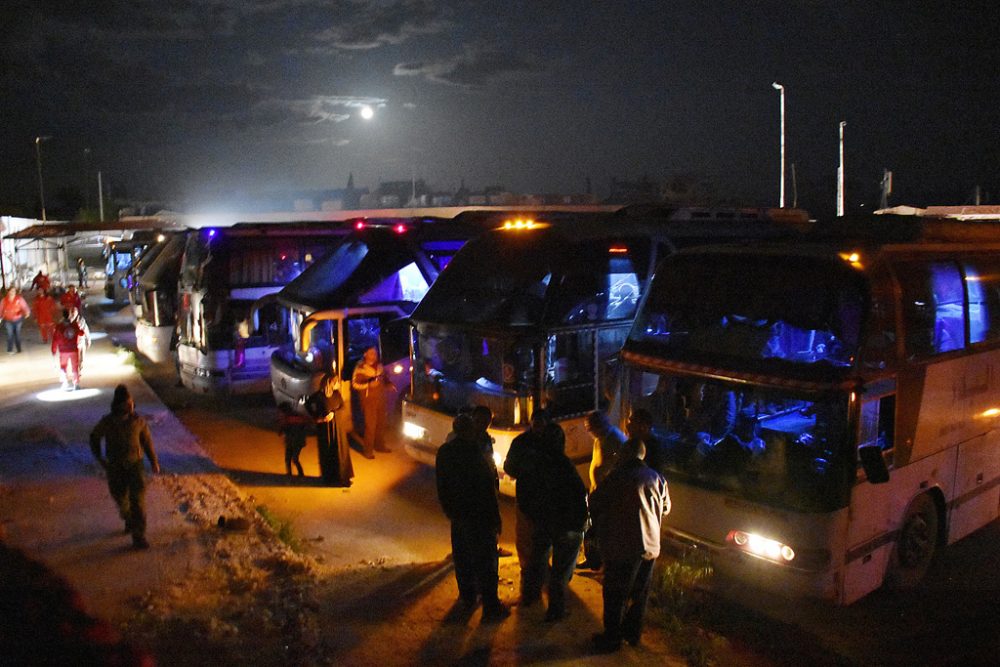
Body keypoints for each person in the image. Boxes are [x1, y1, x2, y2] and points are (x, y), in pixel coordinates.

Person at [590, 439, 670, 652]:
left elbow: (595, 502)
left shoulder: (616, 478)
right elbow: (665, 508)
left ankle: (612, 638)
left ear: (625, 455)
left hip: (622, 546)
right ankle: (632, 635)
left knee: (615, 594)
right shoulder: (657, 478)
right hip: (650, 547)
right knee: (640, 593)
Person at [435, 413, 510, 623]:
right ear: (469, 431)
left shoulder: (445, 452)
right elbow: (487, 489)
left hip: (458, 516)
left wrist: (450, 511)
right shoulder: (474, 453)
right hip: (480, 517)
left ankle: (467, 596)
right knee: (486, 561)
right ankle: (490, 605)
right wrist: (495, 519)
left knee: (463, 558)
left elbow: (442, 485)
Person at [516, 422, 589, 622]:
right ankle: (556, 610)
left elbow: (523, 494)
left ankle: (529, 597)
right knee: (560, 571)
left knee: (537, 561)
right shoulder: (564, 465)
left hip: (543, 522)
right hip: (566, 526)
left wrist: (533, 516)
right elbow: (579, 494)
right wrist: (582, 524)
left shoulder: (533, 463)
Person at [90, 384, 161, 550]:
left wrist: (154, 461)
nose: (130, 405)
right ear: (118, 404)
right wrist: (100, 458)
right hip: (115, 467)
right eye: (126, 402)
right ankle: (128, 518)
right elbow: (94, 437)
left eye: (131, 401)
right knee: (120, 498)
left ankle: (139, 536)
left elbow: (147, 442)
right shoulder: (107, 422)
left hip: (135, 466)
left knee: (138, 501)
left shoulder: (138, 421)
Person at [502, 408, 556, 605]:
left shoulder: (551, 441)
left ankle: (539, 579)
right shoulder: (522, 442)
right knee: (526, 542)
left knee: (541, 543)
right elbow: (509, 467)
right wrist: (526, 471)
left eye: (542, 422)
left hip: (545, 501)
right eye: (536, 421)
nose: (538, 425)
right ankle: (530, 583)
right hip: (527, 499)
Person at [579, 410, 626, 570]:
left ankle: (603, 563)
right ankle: (593, 560)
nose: (589, 432)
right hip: (597, 492)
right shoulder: (600, 438)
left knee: (602, 531)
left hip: (607, 496)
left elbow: (615, 469)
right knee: (592, 530)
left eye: (590, 428)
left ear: (600, 426)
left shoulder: (615, 440)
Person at [308, 361, 353, 486]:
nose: (338, 384)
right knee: (328, 453)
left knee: (340, 452)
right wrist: (318, 417)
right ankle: (330, 478)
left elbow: (342, 407)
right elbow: (308, 405)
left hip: (337, 428)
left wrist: (334, 414)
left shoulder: (337, 394)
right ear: (330, 382)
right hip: (325, 429)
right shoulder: (319, 396)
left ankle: (343, 477)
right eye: (336, 382)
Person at [351, 346, 390, 458]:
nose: (374, 355)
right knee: (370, 426)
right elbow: (354, 385)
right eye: (371, 353)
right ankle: (368, 451)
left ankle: (380, 446)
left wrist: (388, 384)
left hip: (380, 399)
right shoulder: (360, 367)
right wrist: (368, 384)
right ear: (365, 354)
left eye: (375, 353)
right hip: (368, 401)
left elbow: (384, 378)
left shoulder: (379, 366)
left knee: (381, 423)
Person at [51, 308, 84, 390]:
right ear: (69, 315)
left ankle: (64, 383)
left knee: (63, 366)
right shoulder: (74, 325)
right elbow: (81, 333)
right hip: (73, 349)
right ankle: (76, 383)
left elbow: (55, 338)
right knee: (75, 367)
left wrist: (54, 350)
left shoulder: (59, 327)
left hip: (63, 350)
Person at [277, 403, 310, 476]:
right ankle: (300, 473)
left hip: (291, 440)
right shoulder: (298, 416)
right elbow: (306, 426)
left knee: (288, 458)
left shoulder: (287, 418)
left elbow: (282, 429)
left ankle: (290, 473)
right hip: (298, 441)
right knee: (295, 458)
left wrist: (281, 431)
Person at [2, 286, 31, 354]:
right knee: (10, 334)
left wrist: (27, 312)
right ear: (8, 292)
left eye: (14, 291)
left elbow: (25, 306)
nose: (12, 293)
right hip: (8, 320)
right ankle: (10, 349)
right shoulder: (4, 300)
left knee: (17, 334)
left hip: (17, 319)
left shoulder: (19, 299)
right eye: (11, 291)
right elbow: (1, 309)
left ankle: (19, 349)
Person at [68, 306, 92, 378]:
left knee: (82, 358)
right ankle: (76, 371)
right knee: (76, 358)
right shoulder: (68, 322)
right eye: (72, 312)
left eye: (74, 312)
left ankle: (80, 369)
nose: (73, 314)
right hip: (74, 344)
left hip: (81, 342)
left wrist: (88, 339)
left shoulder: (81, 320)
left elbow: (86, 329)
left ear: (77, 312)